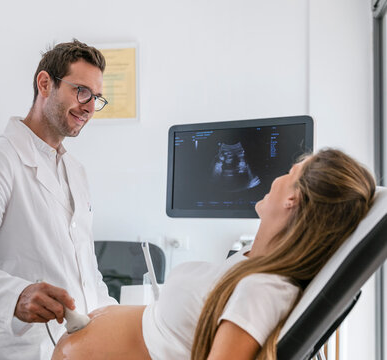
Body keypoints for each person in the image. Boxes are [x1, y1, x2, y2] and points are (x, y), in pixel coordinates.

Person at [51, 149, 376, 360]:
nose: (276, 179)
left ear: (293, 198)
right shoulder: (254, 262)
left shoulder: (263, 289)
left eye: (289, 172)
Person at [0, 39, 117, 360]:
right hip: (22, 348)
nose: (89, 106)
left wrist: (119, 318)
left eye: (96, 97)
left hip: (79, 347)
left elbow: (86, 271)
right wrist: (15, 295)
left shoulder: (76, 171)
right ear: (45, 83)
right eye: (81, 91)